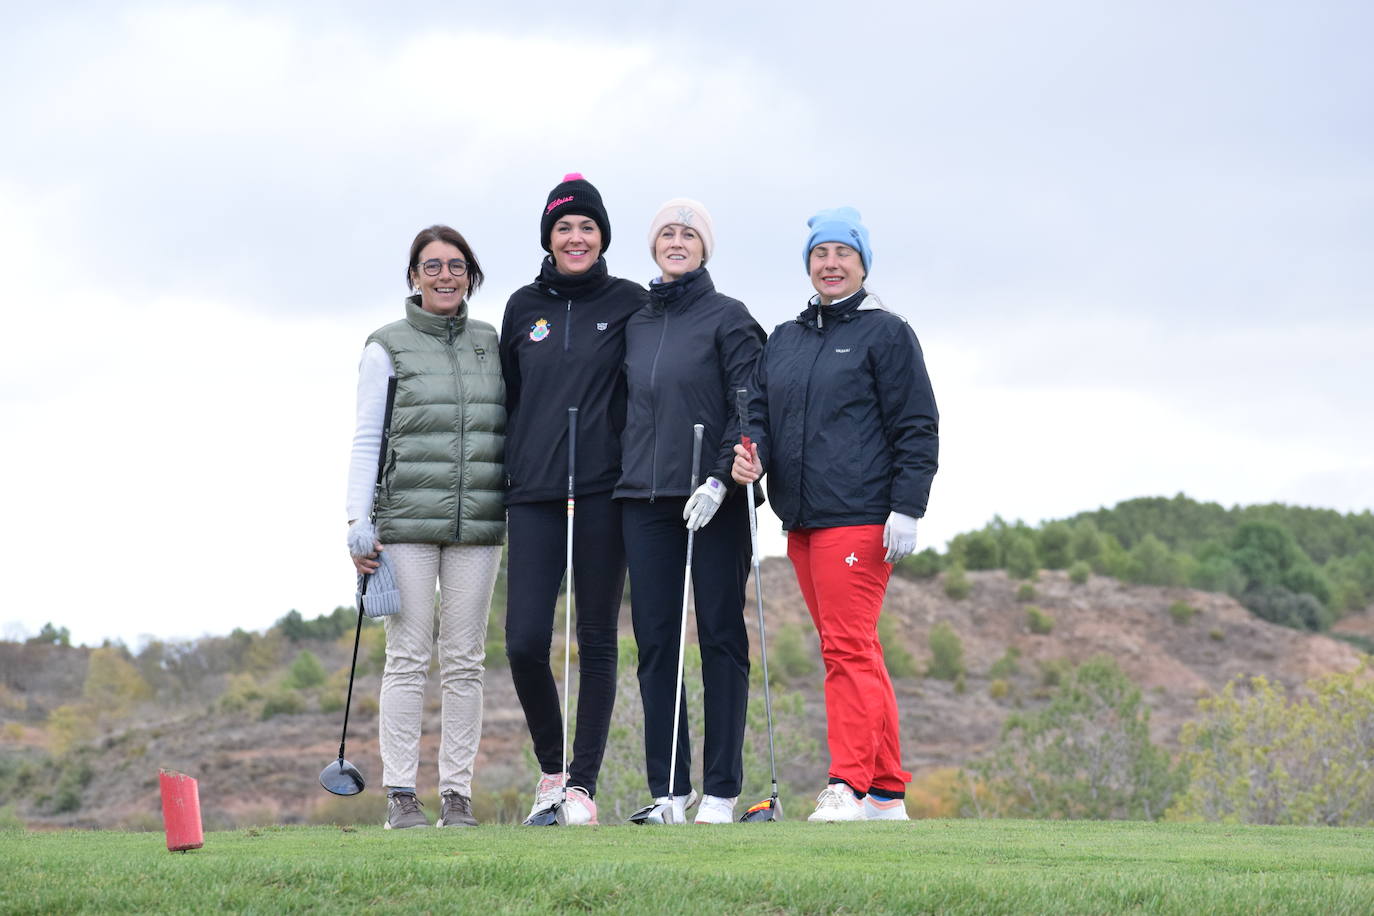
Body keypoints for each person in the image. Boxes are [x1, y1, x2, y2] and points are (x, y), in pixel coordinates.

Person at [732, 207, 938, 822]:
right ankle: (885, 791)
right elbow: (759, 414)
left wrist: (908, 506)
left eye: (842, 254)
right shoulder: (787, 338)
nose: (830, 263)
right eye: (820, 254)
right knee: (856, 649)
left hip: (861, 515)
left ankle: (845, 784)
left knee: (846, 650)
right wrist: (751, 455)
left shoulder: (886, 332)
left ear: (862, 263)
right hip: (802, 520)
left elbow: (916, 424)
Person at [346, 225, 506, 829]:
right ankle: (401, 798)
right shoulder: (385, 346)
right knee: (409, 656)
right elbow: (366, 439)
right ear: (413, 277)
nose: (445, 276)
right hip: (406, 523)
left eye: (456, 266)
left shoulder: (491, 342)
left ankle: (458, 797)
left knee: (465, 660)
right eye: (432, 266)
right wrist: (357, 522)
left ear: (471, 274)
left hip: (479, 523)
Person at [500, 173, 647, 826]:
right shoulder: (521, 307)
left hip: (600, 490)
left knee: (595, 638)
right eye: (565, 227)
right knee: (525, 640)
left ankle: (582, 787)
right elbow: (508, 397)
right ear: (548, 237)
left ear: (602, 236)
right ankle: (552, 770)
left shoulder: (631, 303)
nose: (576, 236)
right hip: (533, 492)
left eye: (587, 226)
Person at [616, 199, 765, 824]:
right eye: (666, 233)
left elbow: (751, 406)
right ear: (653, 246)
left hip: (713, 499)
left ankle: (722, 792)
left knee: (721, 638)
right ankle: (670, 792)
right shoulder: (638, 321)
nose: (676, 241)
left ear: (704, 248)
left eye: (688, 234)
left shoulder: (730, 318)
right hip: (644, 499)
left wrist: (719, 477)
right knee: (656, 643)